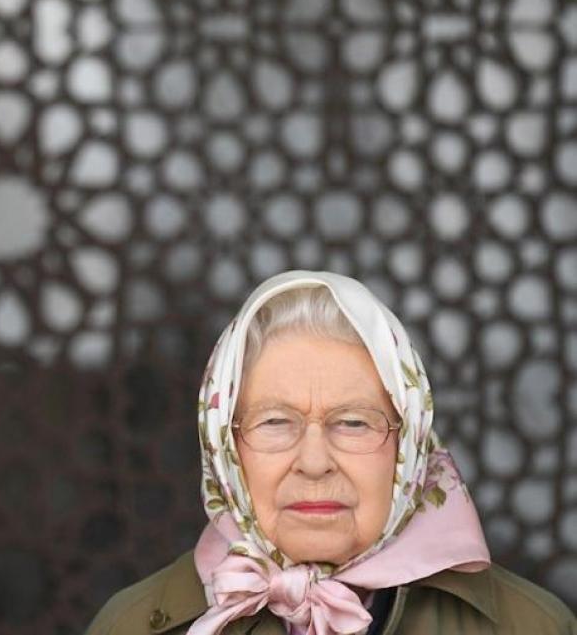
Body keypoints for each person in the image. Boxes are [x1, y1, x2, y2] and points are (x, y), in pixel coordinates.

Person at [86, 270, 575, 634]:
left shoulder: (530, 625)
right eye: (275, 422)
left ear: (407, 449)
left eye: (354, 423)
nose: (315, 461)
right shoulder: (133, 625)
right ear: (226, 451)